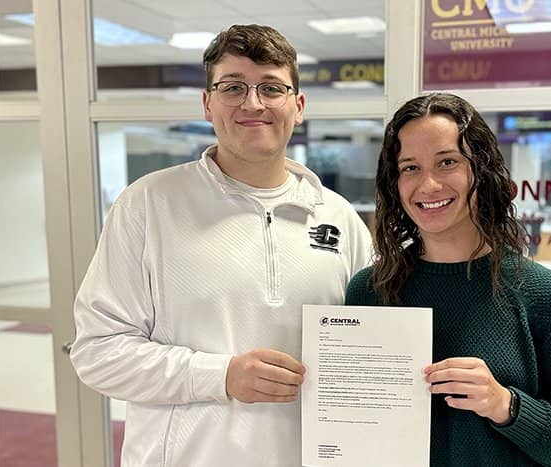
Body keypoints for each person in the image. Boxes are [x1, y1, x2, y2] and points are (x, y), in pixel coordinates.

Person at [70, 24, 372, 466]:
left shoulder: (339, 216)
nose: (253, 103)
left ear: (298, 105)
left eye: (272, 88)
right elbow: (98, 352)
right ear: (208, 103)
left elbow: (370, 343)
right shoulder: (148, 205)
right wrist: (221, 376)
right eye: (233, 87)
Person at [345, 93, 551, 466]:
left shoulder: (544, 295)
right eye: (410, 168)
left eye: (447, 162)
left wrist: (506, 405)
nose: (429, 185)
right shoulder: (369, 292)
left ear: (481, 171)